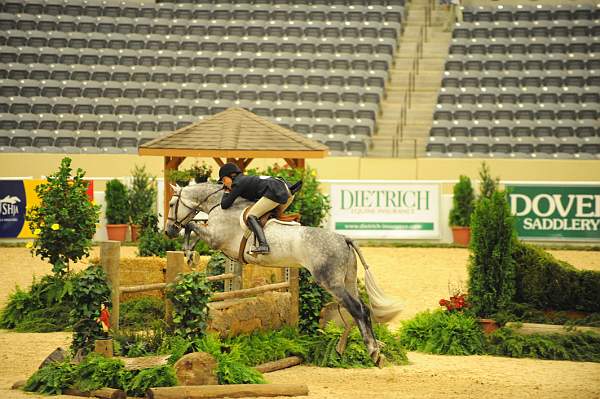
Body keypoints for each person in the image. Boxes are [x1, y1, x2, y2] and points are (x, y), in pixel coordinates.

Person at [218, 163, 300, 254]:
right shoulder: (245, 179)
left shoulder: (238, 183)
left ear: (232, 176)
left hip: (275, 192)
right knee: (269, 216)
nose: (224, 184)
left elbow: (224, 205)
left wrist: (226, 191)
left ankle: (263, 245)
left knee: (251, 216)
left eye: (224, 180)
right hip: (288, 190)